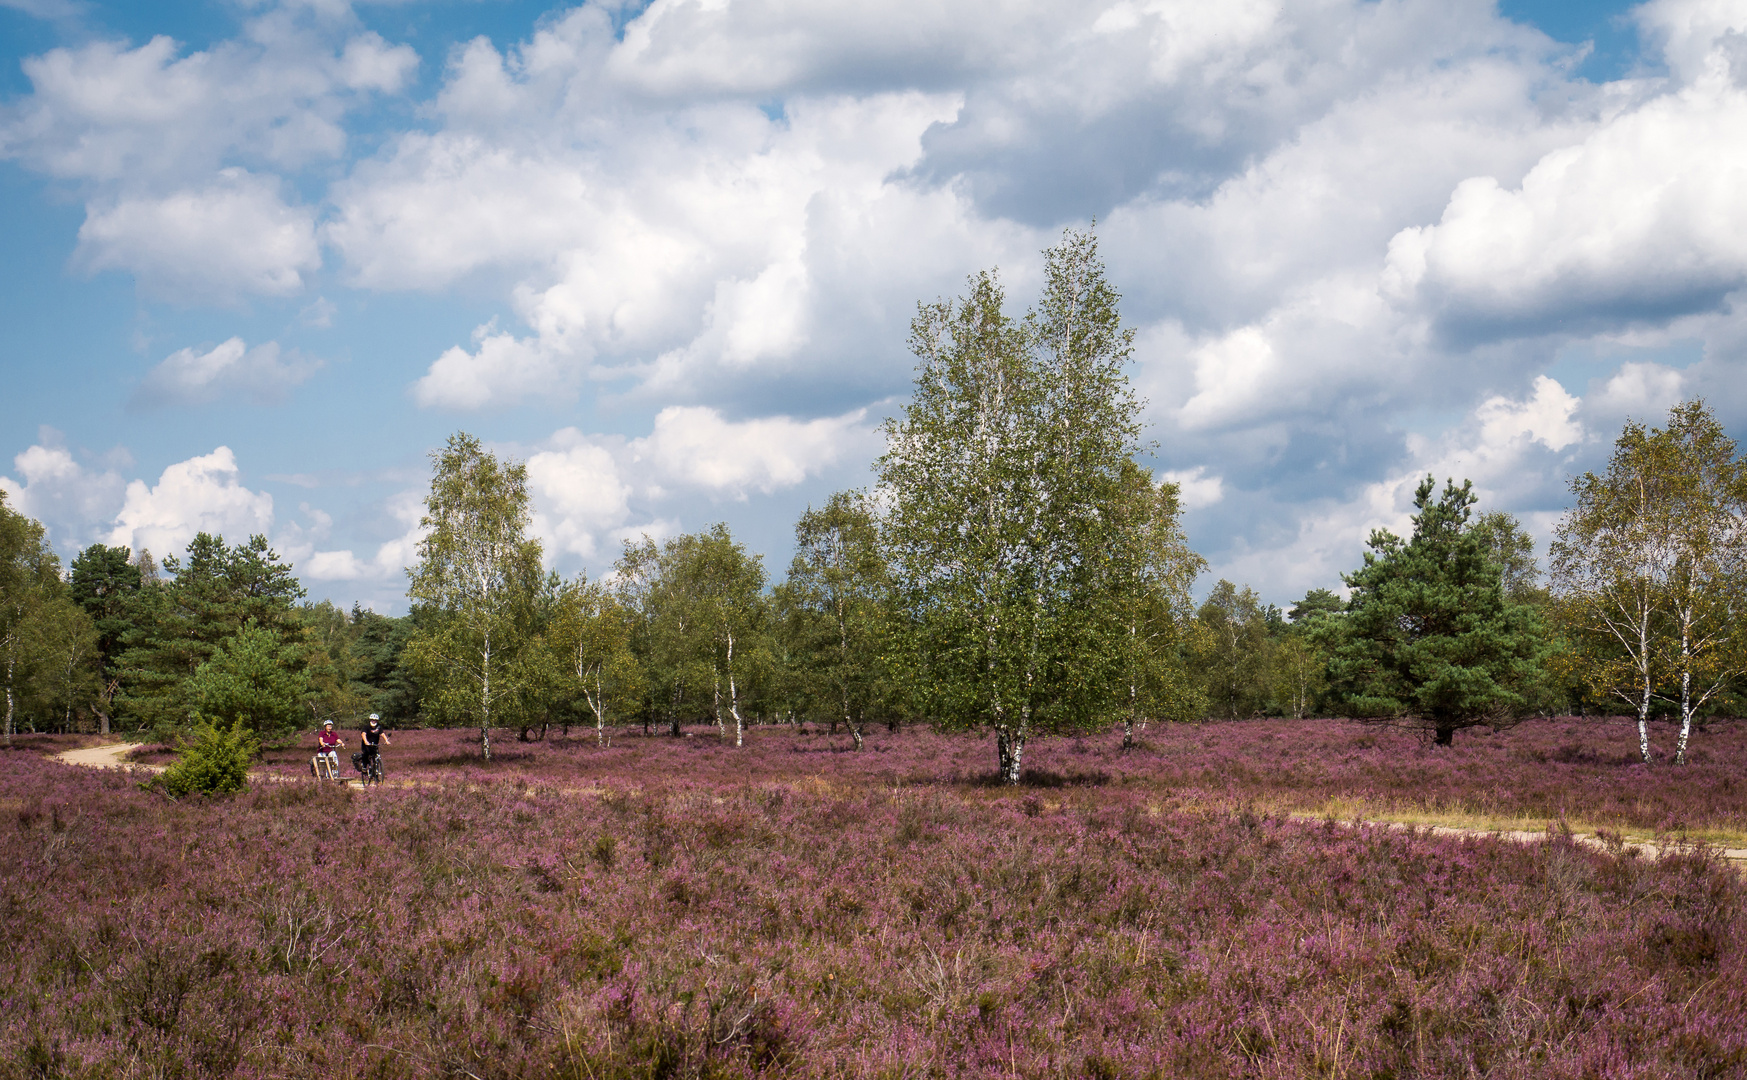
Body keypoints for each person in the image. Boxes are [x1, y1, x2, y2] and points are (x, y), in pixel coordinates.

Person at [357, 713, 390, 779]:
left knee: (376, 758)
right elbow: (363, 734)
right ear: (370, 720)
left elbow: (382, 734)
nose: (374, 721)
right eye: (372, 720)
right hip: (366, 744)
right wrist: (366, 741)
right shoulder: (366, 727)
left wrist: (386, 740)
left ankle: (376, 775)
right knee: (366, 754)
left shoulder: (379, 727)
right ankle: (364, 766)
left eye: (375, 720)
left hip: (375, 744)